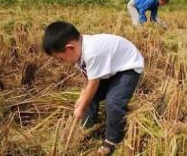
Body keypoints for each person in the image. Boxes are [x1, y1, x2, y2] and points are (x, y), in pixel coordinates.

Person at [42, 21, 144, 155]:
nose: (62, 62)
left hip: (128, 67)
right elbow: (87, 78)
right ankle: (88, 128)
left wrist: (81, 108)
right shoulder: (79, 53)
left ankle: (112, 140)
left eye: (60, 58)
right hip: (112, 68)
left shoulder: (92, 52)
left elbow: (93, 83)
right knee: (88, 97)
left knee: (114, 102)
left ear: (70, 48)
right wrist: (81, 99)